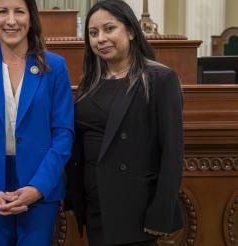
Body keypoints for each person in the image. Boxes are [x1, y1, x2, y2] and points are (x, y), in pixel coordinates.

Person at [65, 0, 184, 245]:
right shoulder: (90, 82)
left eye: (110, 29)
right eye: (93, 33)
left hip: (136, 209)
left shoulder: (160, 79)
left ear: (130, 31)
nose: (101, 39)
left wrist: (160, 214)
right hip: (96, 206)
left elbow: (172, 153)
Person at [0, 0, 74, 245]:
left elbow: (63, 133)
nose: (11, 20)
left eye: (19, 11)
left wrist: (38, 187)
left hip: (40, 183)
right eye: (3, 12)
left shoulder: (54, 66)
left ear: (31, 19)